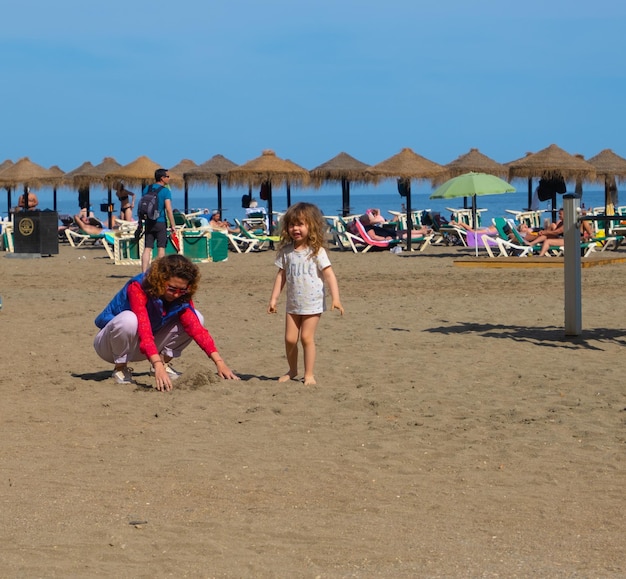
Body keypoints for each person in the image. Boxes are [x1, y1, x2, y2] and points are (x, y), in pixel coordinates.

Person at [94, 254, 239, 390]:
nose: (176, 294)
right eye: (171, 288)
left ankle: (163, 364)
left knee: (198, 318)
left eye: (182, 290)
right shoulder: (138, 287)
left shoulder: (181, 296)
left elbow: (196, 329)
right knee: (129, 319)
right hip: (110, 346)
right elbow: (144, 328)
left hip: (143, 347)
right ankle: (120, 368)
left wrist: (220, 363)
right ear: (160, 280)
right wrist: (155, 363)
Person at [267, 202, 344, 386]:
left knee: (306, 338)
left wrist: (336, 298)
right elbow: (281, 276)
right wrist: (274, 299)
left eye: (301, 224)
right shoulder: (286, 252)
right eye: (292, 225)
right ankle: (293, 370)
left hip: (312, 303)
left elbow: (329, 275)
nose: (296, 229)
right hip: (293, 304)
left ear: (311, 226)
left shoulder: (317, 252)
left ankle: (309, 374)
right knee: (289, 339)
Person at [136, 168, 179, 273]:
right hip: (160, 222)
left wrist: (140, 222)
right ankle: (159, 272)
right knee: (161, 248)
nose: (169, 178)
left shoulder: (147, 188)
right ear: (162, 178)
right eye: (167, 176)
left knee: (147, 248)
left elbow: (142, 206)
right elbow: (168, 209)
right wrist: (173, 225)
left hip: (149, 222)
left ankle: (143, 272)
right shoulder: (165, 191)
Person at [359, 211, 431, 241]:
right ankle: (422, 234)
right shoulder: (368, 228)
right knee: (404, 235)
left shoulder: (368, 226)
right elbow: (373, 237)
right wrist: (384, 239)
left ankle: (422, 231)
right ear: (366, 222)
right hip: (388, 236)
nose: (372, 220)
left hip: (388, 233)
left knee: (403, 232)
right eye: (369, 220)